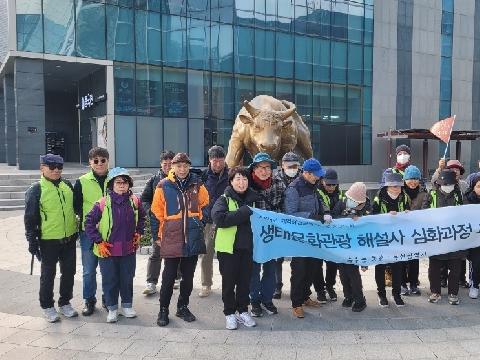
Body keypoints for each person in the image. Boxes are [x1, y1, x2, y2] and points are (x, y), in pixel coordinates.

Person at [152, 153, 209, 327]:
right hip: (171, 236)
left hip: (192, 236)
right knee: (168, 277)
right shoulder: (163, 185)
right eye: (179, 166)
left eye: (185, 166)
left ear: (189, 166)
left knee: (188, 277)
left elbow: (205, 205)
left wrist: (200, 223)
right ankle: (163, 309)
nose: (182, 169)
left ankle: (182, 306)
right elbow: (156, 213)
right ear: (173, 168)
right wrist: (157, 237)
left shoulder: (197, 184)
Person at [85, 167, 146, 323]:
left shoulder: (135, 201)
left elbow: (142, 218)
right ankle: (112, 308)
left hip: (128, 249)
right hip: (108, 250)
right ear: (111, 184)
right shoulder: (102, 203)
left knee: (127, 279)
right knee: (110, 280)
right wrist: (98, 241)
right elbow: (89, 223)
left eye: (125, 182)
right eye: (118, 182)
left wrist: (139, 232)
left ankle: (127, 306)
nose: (122, 185)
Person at [24, 154, 79, 322]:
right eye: (52, 167)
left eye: (59, 167)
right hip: (48, 241)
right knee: (48, 275)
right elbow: (30, 217)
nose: (56, 170)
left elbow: (76, 208)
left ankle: (65, 303)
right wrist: (32, 242)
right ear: (42, 168)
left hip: (69, 238)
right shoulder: (36, 189)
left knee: (69, 272)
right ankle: (47, 306)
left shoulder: (67, 185)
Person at [211, 166, 260, 330]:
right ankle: (229, 313)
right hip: (228, 249)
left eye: (245, 179)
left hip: (248, 248)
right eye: (238, 179)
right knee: (229, 282)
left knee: (244, 282)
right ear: (231, 181)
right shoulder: (224, 199)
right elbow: (220, 218)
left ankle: (242, 310)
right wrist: (244, 212)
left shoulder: (255, 199)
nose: (242, 182)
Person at [285, 158, 326, 318]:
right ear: (307, 173)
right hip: (299, 237)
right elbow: (290, 213)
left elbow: (318, 204)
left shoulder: (313, 186)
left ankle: (305, 296)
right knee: (299, 270)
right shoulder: (294, 189)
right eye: (316, 175)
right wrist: (311, 216)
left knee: (313, 268)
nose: (318, 177)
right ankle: (296, 303)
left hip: (313, 235)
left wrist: (323, 213)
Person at [248, 152, 286, 317]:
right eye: (261, 167)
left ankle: (267, 299)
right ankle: (254, 301)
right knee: (254, 270)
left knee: (270, 269)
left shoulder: (279, 184)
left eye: (267, 167)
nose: (264, 171)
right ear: (254, 169)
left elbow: (285, 208)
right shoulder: (246, 184)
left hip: (272, 235)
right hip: (253, 235)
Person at [73, 147, 109, 316]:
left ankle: (107, 299)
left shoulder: (116, 178)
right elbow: (76, 206)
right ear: (90, 163)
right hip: (89, 233)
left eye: (103, 160)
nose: (99, 163)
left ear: (108, 161)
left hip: (110, 232)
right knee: (89, 270)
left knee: (107, 269)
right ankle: (89, 300)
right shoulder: (82, 181)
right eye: (96, 160)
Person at [423, 170, 464, 305]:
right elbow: (423, 213)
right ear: (438, 184)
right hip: (437, 238)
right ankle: (435, 292)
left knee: (455, 267)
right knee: (434, 267)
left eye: (450, 184)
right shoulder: (432, 194)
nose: (447, 186)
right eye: (444, 184)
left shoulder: (459, 195)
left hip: (454, 238)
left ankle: (453, 293)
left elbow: (466, 213)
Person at [372, 172, 410, 307]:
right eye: (393, 186)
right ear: (387, 186)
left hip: (397, 238)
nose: (396, 189)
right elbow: (373, 217)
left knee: (398, 267)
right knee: (380, 267)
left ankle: (397, 294)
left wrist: (407, 214)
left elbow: (409, 214)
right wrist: (386, 216)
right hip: (382, 238)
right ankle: (381, 294)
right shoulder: (378, 198)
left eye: (399, 186)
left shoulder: (404, 197)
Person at [141, 150, 176, 296]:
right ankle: (151, 282)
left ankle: (176, 278)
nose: (168, 166)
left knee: (176, 251)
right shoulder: (154, 180)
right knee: (157, 252)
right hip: (159, 223)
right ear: (161, 164)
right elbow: (144, 199)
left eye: (170, 164)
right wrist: (151, 212)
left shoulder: (180, 178)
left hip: (175, 222)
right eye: (165, 164)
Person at [332, 182, 370, 312]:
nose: (352, 202)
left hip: (356, 247)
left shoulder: (366, 208)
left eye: (356, 201)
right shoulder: (342, 203)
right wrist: (346, 218)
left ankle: (359, 299)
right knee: (343, 273)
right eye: (351, 200)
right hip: (342, 245)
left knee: (353, 274)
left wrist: (365, 261)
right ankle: (348, 296)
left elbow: (369, 228)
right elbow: (334, 218)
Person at [198, 145, 229, 298]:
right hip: (209, 221)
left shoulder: (231, 175)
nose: (217, 164)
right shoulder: (203, 177)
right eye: (214, 160)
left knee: (227, 255)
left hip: (227, 221)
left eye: (220, 160)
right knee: (206, 254)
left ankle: (228, 283)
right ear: (209, 160)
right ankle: (206, 284)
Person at [432, 159, 468, 288]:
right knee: (439, 258)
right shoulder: (435, 190)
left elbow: (467, 206)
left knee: (457, 259)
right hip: (439, 231)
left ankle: (460, 279)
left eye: (457, 169)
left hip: (456, 231)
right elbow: (434, 182)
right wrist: (439, 169)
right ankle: (442, 280)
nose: (455, 171)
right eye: (452, 169)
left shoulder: (463, 186)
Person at [273, 151, 302, 300]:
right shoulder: (274, 179)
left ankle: (297, 288)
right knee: (278, 257)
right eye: (289, 165)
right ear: (282, 165)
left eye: (295, 165)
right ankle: (277, 286)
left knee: (298, 258)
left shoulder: (303, 178)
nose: (292, 168)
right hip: (280, 223)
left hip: (298, 223)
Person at [315, 168, 346, 302]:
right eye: (329, 184)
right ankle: (320, 290)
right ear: (322, 181)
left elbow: (345, 212)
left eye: (334, 184)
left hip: (334, 235)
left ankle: (330, 287)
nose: (331, 187)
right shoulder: (316, 193)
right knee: (317, 265)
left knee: (332, 264)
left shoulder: (342, 195)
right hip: (319, 234)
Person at [401, 165, 427, 296]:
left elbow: (425, 210)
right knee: (401, 258)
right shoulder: (399, 191)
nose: (413, 182)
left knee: (414, 259)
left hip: (416, 231)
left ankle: (413, 284)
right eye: (410, 178)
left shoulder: (423, 193)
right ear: (405, 180)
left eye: (416, 178)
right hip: (401, 232)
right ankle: (402, 284)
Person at [464, 174, 480, 299]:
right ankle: (474, 285)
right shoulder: (467, 199)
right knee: (476, 263)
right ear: (473, 186)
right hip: (474, 239)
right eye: (479, 186)